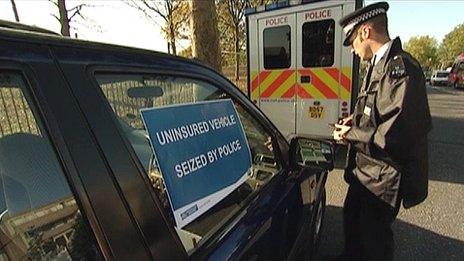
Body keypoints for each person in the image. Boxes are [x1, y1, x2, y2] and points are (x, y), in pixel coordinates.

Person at [331, 2, 432, 260]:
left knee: (374, 241)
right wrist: (352, 122)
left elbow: (392, 135)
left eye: (352, 40)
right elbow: (371, 112)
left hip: (383, 177)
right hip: (364, 170)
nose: (352, 50)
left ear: (365, 32)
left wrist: (348, 136)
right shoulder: (377, 65)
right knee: (352, 224)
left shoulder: (402, 70)